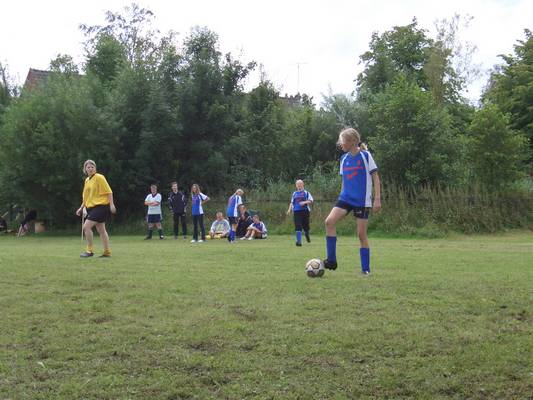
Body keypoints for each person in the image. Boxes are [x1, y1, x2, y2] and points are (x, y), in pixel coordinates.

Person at [323, 128, 381, 274]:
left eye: (342, 141)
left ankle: (365, 270)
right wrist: (340, 196)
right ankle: (331, 261)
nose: (340, 144)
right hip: (345, 198)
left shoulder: (366, 156)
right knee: (329, 222)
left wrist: (377, 199)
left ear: (352, 141)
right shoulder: (343, 159)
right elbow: (344, 181)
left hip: (362, 200)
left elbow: (376, 178)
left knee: (361, 235)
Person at [76, 159, 116, 258]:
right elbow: (86, 197)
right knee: (101, 230)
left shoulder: (99, 177)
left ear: (95, 168)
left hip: (101, 206)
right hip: (91, 207)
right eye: (88, 167)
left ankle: (89, 251)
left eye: (92, 167)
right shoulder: (87, 180)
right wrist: (81, 208)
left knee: (86, 227)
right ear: (85, 169)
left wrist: (112, 205)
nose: (90, 169)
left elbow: (109, 192)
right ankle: (107, 252)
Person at [286, 179, 314, 247]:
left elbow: (311, 201)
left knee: (306, 226)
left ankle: (307, 234)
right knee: (298, 225)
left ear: (303, 185)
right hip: (296, 211)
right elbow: (292, 202)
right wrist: (289, 209)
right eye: (297, 185)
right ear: (296, 186)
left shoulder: (306, 193)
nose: (299, 186)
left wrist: (304, 202)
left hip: (305, 211)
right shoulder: (294, 193)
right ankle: (299, 242)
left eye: (300, 185)